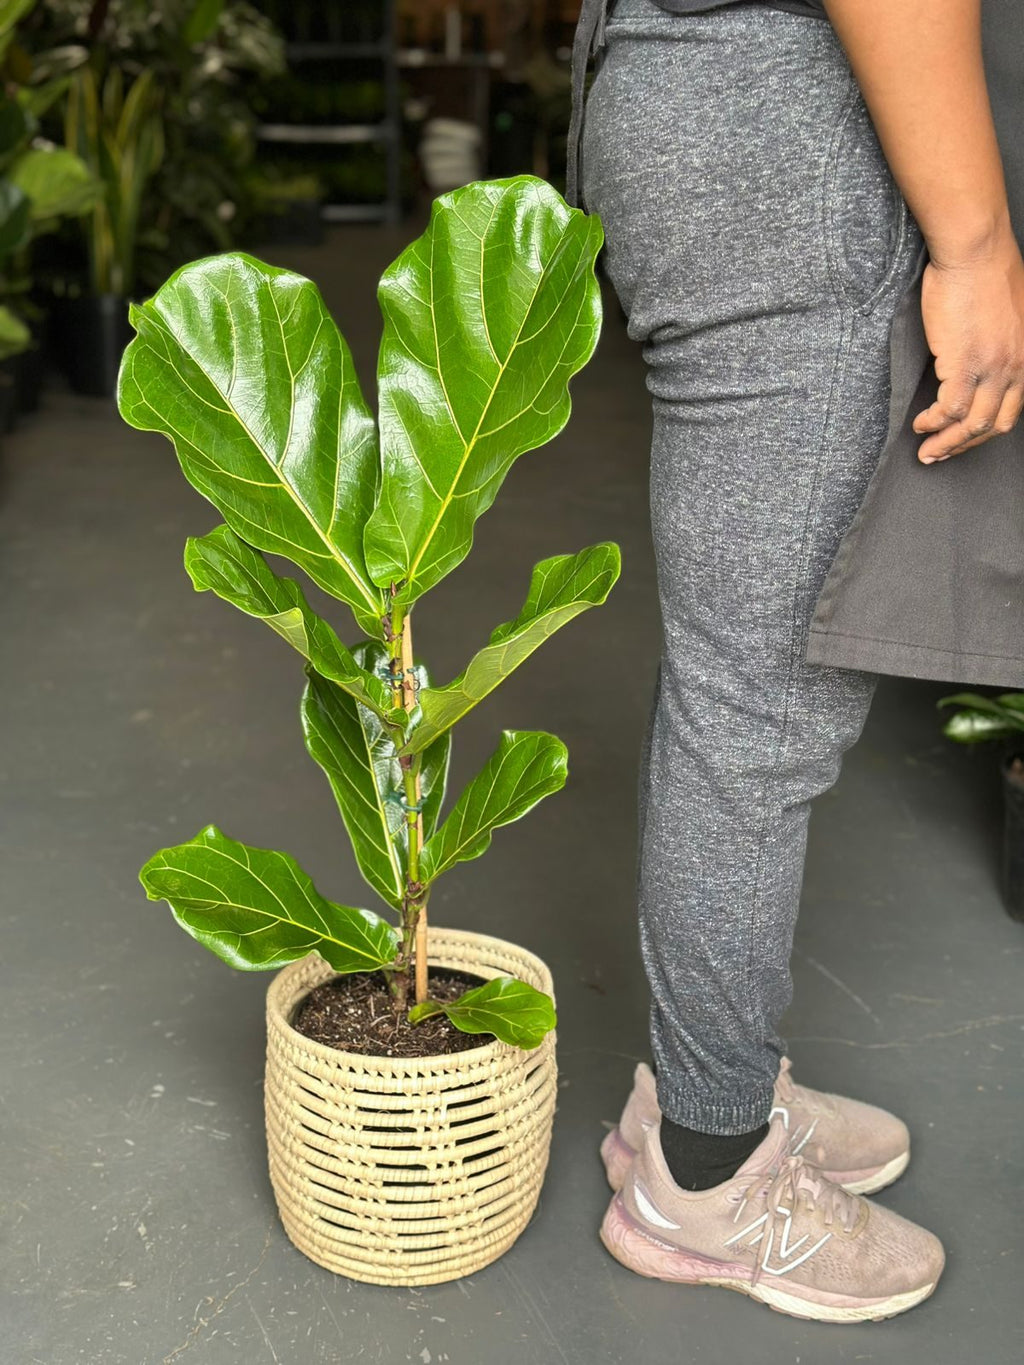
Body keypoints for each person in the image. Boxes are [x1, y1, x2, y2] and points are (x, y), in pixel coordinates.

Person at [567, 0, 1024, 1324]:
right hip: (793, 142)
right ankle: (703, 1179)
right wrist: (977, 242)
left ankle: (706, 1088)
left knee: (738, 681)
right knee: (761, 703)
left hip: (726, 110)